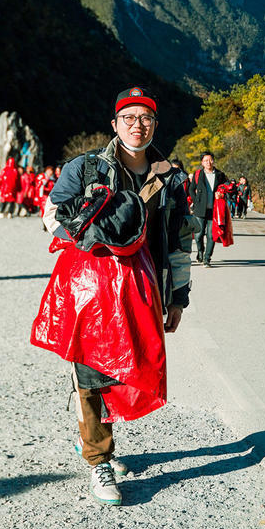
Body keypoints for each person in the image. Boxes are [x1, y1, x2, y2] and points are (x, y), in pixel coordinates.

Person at [32, 86, 192, 506]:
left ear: (155, 125)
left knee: (128, 368)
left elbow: (178, 241)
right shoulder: (85, 168)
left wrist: (178, 297)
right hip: (89, 287)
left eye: (146, 119)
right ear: (114, 124)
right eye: (128, 118)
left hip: (141, 289)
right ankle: (98, 458)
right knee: (89, 371)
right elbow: (52, 212)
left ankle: (95, 439)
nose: (137, 126)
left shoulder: (171, 177)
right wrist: (83, 241)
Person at [189, 151, 228, 267]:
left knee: (211, 235)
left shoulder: (220, 175)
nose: (208, 162)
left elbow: (228, 188)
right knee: (198, 235)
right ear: (202, 163)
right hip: (200, 210)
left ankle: (207, 259)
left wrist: (222, 194)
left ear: (213, 160)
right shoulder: (198, 174)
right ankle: (200, 252)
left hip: (214, 210)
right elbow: (191, 189)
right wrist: (196, 201)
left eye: (210, 160)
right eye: (205, 160)